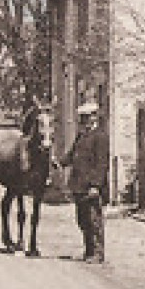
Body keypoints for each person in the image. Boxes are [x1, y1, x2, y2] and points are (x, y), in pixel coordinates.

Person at [63, 101, 109, 263]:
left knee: (94, 219)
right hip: (78, 185)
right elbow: (71, 155)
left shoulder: (100, 137)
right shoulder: (82, 136)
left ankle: (98, 253)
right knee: (82, 220)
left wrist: (96, 185)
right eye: (82, 118)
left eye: (86, 117)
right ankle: (88, 250)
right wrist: (59, 162)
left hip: (90, 187)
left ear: (94, 117)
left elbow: (102, 163)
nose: (83, 121)